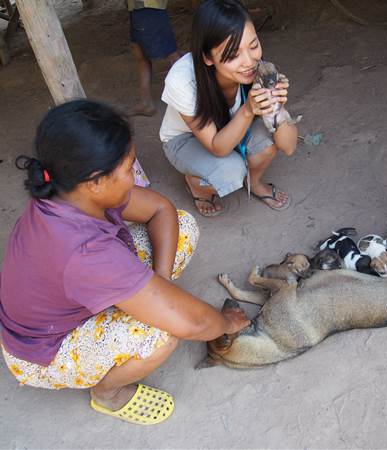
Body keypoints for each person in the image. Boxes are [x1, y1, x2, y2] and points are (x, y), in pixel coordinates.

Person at [0, 100, 249, 425]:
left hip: (76, 292)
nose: (135, 176)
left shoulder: (71, 191)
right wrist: (226, 323)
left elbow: (161, 210)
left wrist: (160, 286)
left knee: (182, 226)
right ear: (96, 181)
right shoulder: (85, 251)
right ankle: (107, 395)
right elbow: (196, 325)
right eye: (129, 167)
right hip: (42, 350)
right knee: (160, 334)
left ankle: (148, 299)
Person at [159, 0, 298, 217]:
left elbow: (288, 146)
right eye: (233, 55)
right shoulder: (182, 80)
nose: (249, 62)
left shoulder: (260, 69)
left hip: (232, 128)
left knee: (268, 144)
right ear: (207, 57)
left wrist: (277, 106)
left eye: (253, 46)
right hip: (186, 139)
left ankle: (254, 182)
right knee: (231, 172)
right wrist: (249, 110)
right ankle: (196, 185)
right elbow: (218, 147)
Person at [127, 0, 181, 116]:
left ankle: (198, 97)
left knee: (171, 54)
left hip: (148, 7)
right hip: (137, 7)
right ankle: (146, 103)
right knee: (140, 53)